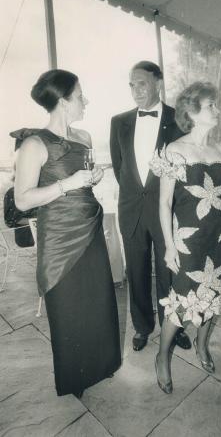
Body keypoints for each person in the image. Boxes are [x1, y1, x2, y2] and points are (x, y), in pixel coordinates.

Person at [11, 69, 121, 398]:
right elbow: (21, 199)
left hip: (89, 228)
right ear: (63, 101)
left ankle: (102, 365)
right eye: (79, 96)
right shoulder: (33, 144)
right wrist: (68, 184)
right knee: (70, 307)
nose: (84, 101)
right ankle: (76, 377)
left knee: (97, 302)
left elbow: (81, 179)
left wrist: (92, 178)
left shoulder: (84, 138)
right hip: (59, 236)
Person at [151, 82, 221, 393]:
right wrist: (169, 247)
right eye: (210, 105)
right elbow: (164, 203)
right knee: (182, 303)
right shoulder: (175, 151)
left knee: (212, 295)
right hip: (188, 240)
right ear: (192, 112)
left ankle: (201, 346)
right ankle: (161, 357)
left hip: (219, 238)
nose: (216, 109)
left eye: (215, 104)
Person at [110, 61, 192, 352]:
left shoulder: (179, 120)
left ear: (159, 82)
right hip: (132, 210)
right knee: (137, 270)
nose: (136, 90)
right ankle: (143, 327)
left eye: (142, 83)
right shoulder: (118, 121)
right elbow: (121, 169)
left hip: (167, 211)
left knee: (170, 271)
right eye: (132, 84)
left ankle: (175, 325)